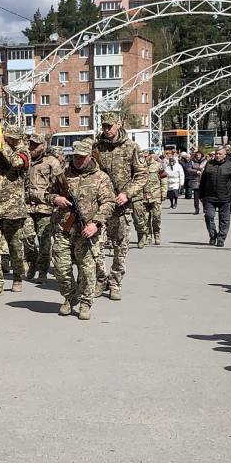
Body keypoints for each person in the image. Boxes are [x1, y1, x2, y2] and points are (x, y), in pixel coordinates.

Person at [47, 139, 115, 320]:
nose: (78, 160)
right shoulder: (63, 175)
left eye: (82, 157)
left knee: (87, 270)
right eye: (75, 156)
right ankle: (70, 297)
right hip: (63, 228)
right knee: (61, 269)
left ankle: (85, 303)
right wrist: (55, 199)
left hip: (87, 231)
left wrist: (96, 223)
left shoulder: (101, 177)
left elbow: (109, 203)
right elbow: (48, 192)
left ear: (90, 156)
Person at [93, 112, 145, 302]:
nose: (106, 130)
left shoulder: (131, 147)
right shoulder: (96, 148)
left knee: (120, 246)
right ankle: (100, 279)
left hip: (121, 205)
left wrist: (127, 193)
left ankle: (115, 282)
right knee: (96, 246)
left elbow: (141, 175)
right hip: (98, 206)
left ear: (118, 125)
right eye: (103, 126)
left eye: (109, 126)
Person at [0, 124, 29, 297]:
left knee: (15, 247)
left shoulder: (24, 151)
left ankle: (17, 276)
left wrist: (2, 144)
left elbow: (16, 162)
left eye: (11, 138)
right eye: (7, 137)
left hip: (14, 209)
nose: (9, 140)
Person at [24, 133, 62, 284]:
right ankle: (32, 263)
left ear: (43, 146)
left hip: (45, 207)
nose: (32, 147)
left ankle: (43, 271)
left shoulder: (52, 162)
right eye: (30, 144)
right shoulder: (25, 160)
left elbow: (61, 183)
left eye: (35, 145)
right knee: (27, 238)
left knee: (44, 241)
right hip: (26, 206)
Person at [199, 147, 231, 247]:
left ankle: (221, 238)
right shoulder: (209, 164)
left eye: (220, 154)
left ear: (225, 155)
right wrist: (201, 195)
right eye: (216, 153)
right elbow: (203, 181)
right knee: (209, 216)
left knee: (224, 220)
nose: (217, 155)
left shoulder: (230, 165)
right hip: (210, 197)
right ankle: (213, 236)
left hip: (225, 197)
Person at [185, 151, 205, 215]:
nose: (198, 156)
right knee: (196, 197)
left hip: (203, 181)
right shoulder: (192, 162)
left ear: (201, 155)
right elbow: (189, 169)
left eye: (199, 155)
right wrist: (196, 171)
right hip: (196, 181)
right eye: (197, 155)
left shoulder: (205, 162)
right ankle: (197, 209)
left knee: (204, 197)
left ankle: (205, 208)